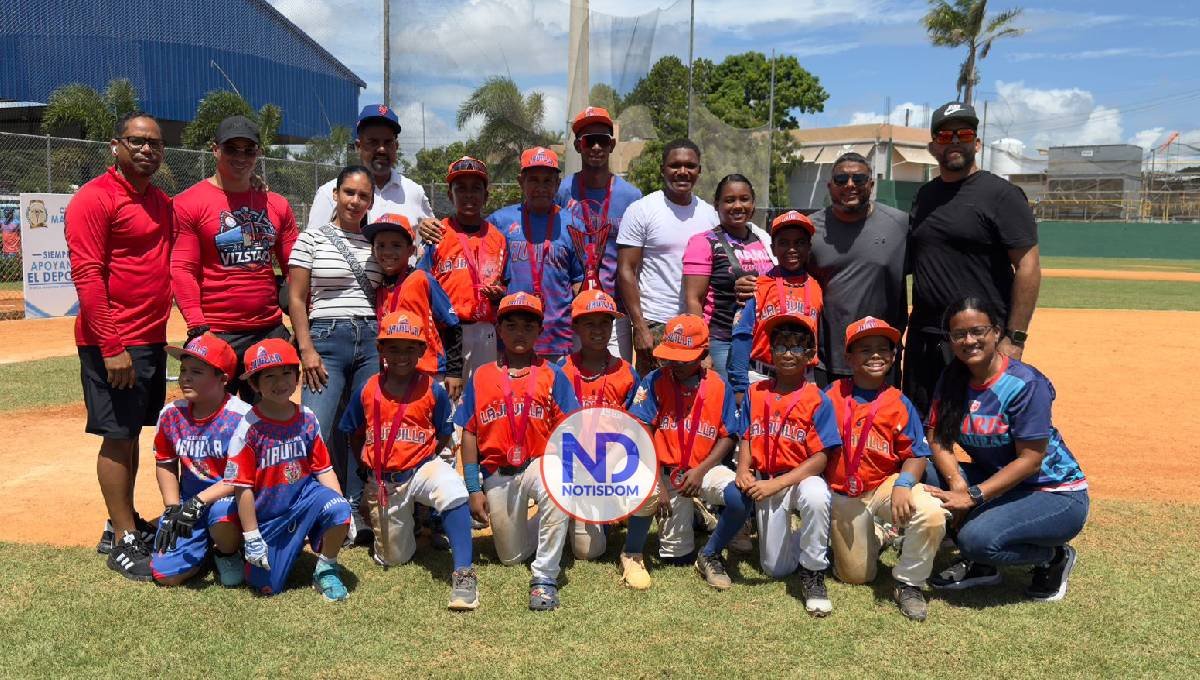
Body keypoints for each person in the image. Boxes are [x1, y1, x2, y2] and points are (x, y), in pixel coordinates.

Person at [66, 112, 173, 579]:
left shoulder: (160, 201)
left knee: (131, 433)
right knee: (116, 436)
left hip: (149, 337)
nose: (146, 150)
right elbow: (88, 275)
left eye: (154, 144)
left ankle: (120, 523)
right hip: (113, 341)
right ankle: (125, 540)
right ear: (116, 145)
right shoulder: (94, 199)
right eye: (137, 141)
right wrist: (111, 345)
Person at [924, 297, 1088, 602]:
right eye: (959, 334)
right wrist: (957, 483)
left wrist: (972, 496)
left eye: (978, 331)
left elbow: (1031, 461)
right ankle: (985, 567)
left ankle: (1053, 557)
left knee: (977, 541)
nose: (969, 340)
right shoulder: (953, 376)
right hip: (998, 480)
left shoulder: (1024, 383)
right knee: (924, 468)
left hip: (1052, 493)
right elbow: (936, 437)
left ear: (996, 332)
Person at [905, 101, 1041, 416]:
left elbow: (1028, 266)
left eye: (963, 133)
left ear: (976, 143)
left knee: (987, 429)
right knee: (922, 430)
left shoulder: (1001, 195)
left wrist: (1015, 339)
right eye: (945, 135)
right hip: (926, 340)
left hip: (978, 340)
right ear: (932, 147)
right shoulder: (924, 197)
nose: (954, 141)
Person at [338, 311, 479, 610]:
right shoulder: (367, 389)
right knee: (393, 558)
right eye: (393, 347)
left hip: (420, 467)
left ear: (421, 350)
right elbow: (353, 433)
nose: (401, 355)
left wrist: (426, 457)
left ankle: (464, 573)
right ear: (380, 350)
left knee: (450, 487)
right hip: (385, 481)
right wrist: (369, 474)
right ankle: (415, 523)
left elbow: (442, 432)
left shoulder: (433, 390)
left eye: (409, 347)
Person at [457, 293, 580, 611]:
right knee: (511, 557)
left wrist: (567, 474)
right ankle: (555, 527)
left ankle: (544, 577)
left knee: (556, 486)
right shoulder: (482, 375)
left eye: (528, 325)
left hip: (539, 463)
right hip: (498, 472)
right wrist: (474, 488)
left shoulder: (553, 373)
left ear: (540, 330)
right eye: (511, 325)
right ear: (499, 329)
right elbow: (469, 432)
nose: (519, 332)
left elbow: (571, 427)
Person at [825, 317, 945, 621]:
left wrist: (905, 483)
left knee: (930, 512)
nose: (875, 355)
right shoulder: (831, 396)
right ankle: (880, 534)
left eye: (883, 349)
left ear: (893, 357)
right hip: (843, 493)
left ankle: (909, 583)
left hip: (883, 486)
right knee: (856, 577)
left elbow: (917, 453)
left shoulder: (898, 402)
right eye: (865, 349)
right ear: (849, 358)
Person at [171, 115, 298, 401]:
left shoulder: (277, 204)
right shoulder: (189, 202)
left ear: (259, 153)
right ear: (215, 149)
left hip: (268, 330)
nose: (240, 157)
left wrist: (301, 324)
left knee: (270, 422)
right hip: (217, 332)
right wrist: (198, 327)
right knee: (211, 422)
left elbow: (295, 268)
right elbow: (182, 268)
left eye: (248, 150)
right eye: (232, 149)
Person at [288, 165, 381, 542]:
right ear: (336, 195)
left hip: (371, 340)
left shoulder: (376, 243)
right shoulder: (311, 238)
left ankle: (356, 512)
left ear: (371, 201)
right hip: (325, 337)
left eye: (363, 196)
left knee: (363, 430)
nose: (355, 201)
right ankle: (318, 507)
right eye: (349, 193)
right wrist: (306, 347)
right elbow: (296, 297)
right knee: (318, 428)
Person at [626, 314, 749, 591]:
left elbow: (729, 435)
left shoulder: (718, 385)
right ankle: (695, 516)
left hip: (703, 470)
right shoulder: (655, 380)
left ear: (703, 354)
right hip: (666, 473)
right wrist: (656, 481)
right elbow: (641, 430)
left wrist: (701, 470)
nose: (676, 364)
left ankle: (711, 553)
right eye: (672, 356)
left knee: (740, 494)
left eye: (685, 358)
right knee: (676, 558)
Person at [227, 338, 353, 600]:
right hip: (268, 517)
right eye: (269, 376)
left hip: (305, 500)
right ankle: (257, 549)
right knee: (267, 587)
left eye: (286, 373)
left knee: (339, 509)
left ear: (297, 377)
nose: (280, 382)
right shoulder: (248, 428)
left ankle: (327, 567)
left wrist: (343, 507)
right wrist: (250, 534)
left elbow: (324, 469)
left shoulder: (307, 417)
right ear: (254, 384)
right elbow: (243, 488)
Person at [735, 313, 839, 615]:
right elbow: (746, 436)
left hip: (798, 478)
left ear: (810, 355)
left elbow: (820, 459)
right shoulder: (757, 392)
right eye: (781, 347)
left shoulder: (818, 398)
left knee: (817, 494)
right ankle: (814, 540)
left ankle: (814, 572)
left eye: (797, 347)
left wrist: (777, 484)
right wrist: (743, 469)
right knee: (774, 569)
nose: (788, 354)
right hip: (767, 479)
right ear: (770, 352)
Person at [149, 334, 249, 587]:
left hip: (230, 500)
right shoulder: (172, 414)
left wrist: (199, 501)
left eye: (196, 371)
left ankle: (226, 552)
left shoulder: (242, 418)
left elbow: (242, 478)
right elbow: (165, 462)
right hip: (187, 506)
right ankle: (201, 549)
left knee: (221, 517)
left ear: (222, 378)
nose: (185, 377)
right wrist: (173, 507)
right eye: (183, 370)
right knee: (166, 576)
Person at [616, 139, 721, 375]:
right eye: (675, 165)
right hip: (656, 324)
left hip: (697, 325)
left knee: (693, 401)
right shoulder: (642, 210)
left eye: (690, 166)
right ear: (663, 169)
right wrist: (640, 326)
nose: (682, 172)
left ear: (699, 170)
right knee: (654, 400)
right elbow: (626, 270)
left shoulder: (711, 216)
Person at [807, 153, 909, 388]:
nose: (850, 185)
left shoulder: (900, 225)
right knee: (829, 424)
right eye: (841, 179)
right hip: (827, 360)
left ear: (871, 184)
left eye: (859, 179)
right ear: (830, 186)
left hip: (881, 359)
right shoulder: (810, 228)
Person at [557, 289, 642, 564]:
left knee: (643, 484)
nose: (598, 330)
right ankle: (570, 510)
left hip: (612, 461)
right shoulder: (561, 371)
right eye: (589, 323)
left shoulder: (626, 371)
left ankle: (612, 511)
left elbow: (635, 427)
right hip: (573, 464)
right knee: (586, 552)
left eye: (605, 322)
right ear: (576, 327)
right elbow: (553, 430)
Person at [556, 106, 644, 359]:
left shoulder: (631, 196)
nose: (596, 147)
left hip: (614, 312)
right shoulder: (563, 191)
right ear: (577, 146)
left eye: (602, 141)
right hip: (573, 308)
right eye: (589, 141)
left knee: (617, 380)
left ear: (612, 145)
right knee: (572, 384)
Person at [486, 147, 585, 361]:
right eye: (533, 180)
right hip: (511, 336)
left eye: (547, 181)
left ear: (557, 184)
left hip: (557, 338)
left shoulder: (573, 224)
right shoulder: (499, 222)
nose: (541, 188)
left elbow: (579, 279)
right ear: (521, 182)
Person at [418, 157, 508, 382]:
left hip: (485, 332)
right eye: (461, 189)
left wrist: (500, 295)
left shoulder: (498, 238)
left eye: (476, 189)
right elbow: (422, 284)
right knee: (449, 405)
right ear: (450, 195)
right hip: (447, 332)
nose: (469, 195)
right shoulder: (437, 234)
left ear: (485, 196)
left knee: (483, 399)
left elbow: (506, 284)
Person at [682, 174, 775, 380]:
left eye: (744, 199)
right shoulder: (703, 242)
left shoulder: (763, 239)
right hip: (721, 342)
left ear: (753, 203)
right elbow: (693, 299)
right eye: (729, 200)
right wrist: (701, 349)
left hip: (760, 342)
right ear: (717, 205)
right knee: (727, 405)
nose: (738, 206)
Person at [366, 213, 463, 401]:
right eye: (381, 245)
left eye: (396, 245)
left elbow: (452, 325)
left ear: (411, 250)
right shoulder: (377, 288)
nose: (387, 252)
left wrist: (455, 372)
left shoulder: (422, 279)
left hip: (429, 373)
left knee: (439, 428)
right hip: (393, 375)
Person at [728, 211, 824, 398]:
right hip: (761, 377)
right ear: (772, 248)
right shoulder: (758, 286)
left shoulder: (816, 287)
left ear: (809, 247)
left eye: (799, 242)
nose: (792, 249)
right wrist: (740, 387)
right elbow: (742, 335)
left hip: (804, 379)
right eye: (784, 243)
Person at [307, 105, 435, 231]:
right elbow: (312, 246)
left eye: (388, 142)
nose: (381, 149)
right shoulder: (330, 193)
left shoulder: (414, 192)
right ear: (358, 146)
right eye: (373, 142)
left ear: (396, 146)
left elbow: (431, 241)